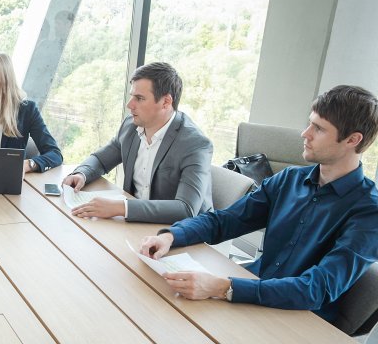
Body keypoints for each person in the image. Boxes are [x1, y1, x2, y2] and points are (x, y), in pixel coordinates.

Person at [139, 85, 378, 323]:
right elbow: (226, 220)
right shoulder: (290, 179)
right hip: (249, 294)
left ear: (352, 139)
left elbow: (316, 289)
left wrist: (223, 288)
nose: (305, 133)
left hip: (297, 320)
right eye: (309, 123)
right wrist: (171, 236)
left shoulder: (369, 210)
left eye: (318, 128)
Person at [63, 62, 213, 223]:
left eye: (139, 98)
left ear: (166, 102)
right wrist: (82, 173)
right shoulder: (131, 125)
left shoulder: (195, 144)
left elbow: (186, 209)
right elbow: (101, 159)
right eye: (131, 96)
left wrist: (121, 207)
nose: (130, 105)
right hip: (137, 223)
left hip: (184, 232)